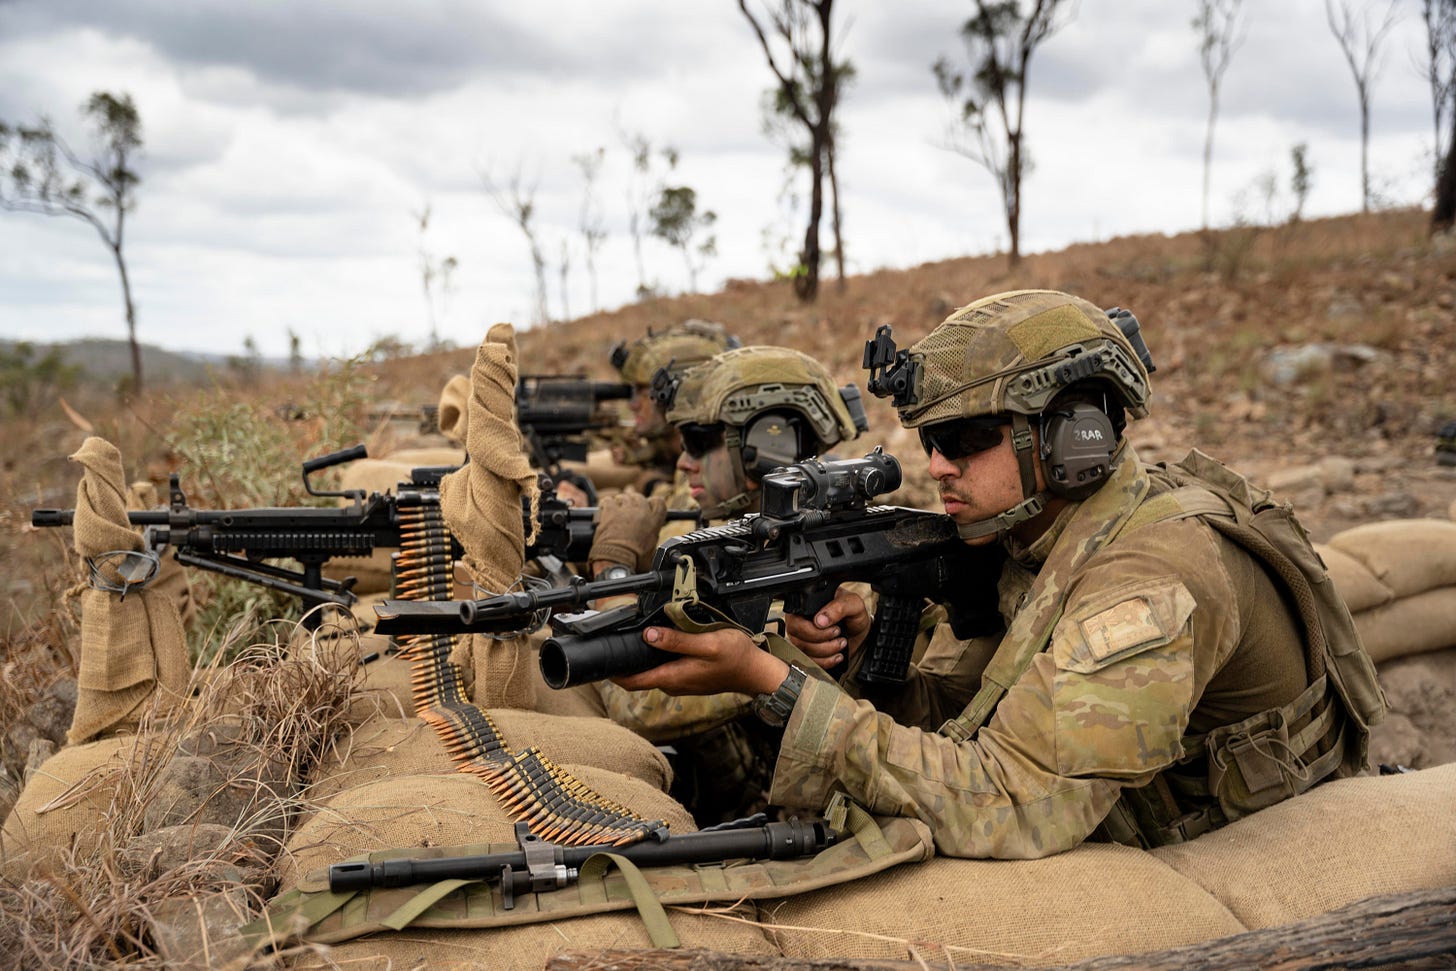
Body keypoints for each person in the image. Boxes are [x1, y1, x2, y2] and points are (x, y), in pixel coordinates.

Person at [614, 289, 1384, 857]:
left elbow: (1011, 800)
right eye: (930, 441)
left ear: (1073, 434)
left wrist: (773, 684)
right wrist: (865, 666)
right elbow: (976, 709)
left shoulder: (1153, 577)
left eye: (967, 436)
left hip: (1237, 845)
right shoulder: (1043, 533)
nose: (938, 465)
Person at [588, 344, 869, 825]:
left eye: (699, 442)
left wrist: (611, 571)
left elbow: (635, 702)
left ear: (769, 445)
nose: (683, 463)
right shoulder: (740, 531)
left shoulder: (837, 562)